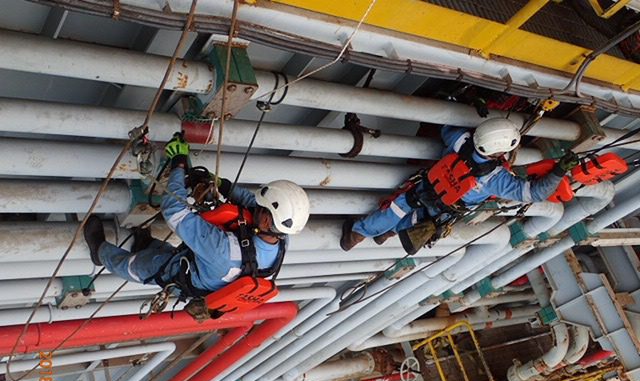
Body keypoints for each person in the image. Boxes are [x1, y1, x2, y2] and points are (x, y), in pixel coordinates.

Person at [83, 133, 310, 301]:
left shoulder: (223, 250)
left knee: (140, 266)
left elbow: (174, 210)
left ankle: (99, 252)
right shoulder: (281, 238)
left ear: (268, 220)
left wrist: (178, 163)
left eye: (261, 208)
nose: (256, 205)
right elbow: (250, 203)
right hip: (208, 265)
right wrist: (221, 184)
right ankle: (145, 243)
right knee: (169, 250)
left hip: (184, 276)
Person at [340, 118, 579, 254]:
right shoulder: (496, 179)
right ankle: (370, 235)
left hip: (425, 187)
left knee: (397, 207)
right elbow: (535, 193)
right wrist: (559, 171)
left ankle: (362, 233)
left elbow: (446, 124)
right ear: (499, 151)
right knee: (418, 219)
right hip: (445, 208)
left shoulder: (460, 140)